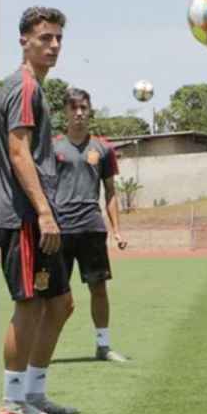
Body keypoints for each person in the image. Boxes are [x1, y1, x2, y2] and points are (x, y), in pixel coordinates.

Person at [0, 6, 76, 414]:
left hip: (41, 214)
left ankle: (35, 393)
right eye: (46, 38)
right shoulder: (23, 88)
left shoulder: (35, 89)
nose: (55, 45)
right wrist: (44, 212)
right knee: (29, 305)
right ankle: (11, 404)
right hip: (25, 215)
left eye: (59, 38)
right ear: (24, 40)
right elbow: (17, 150)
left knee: (60, 304)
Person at [53, 88, 130, 363]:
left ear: (90, 110)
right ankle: (44, 348)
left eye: (83, 108)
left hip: (92, 228)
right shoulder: (52, 147)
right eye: (73, 108)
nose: (79, 113)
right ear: (65, 112)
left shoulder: (103, 149)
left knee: (98, 288)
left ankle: (103, 346)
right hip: (59, 231)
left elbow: (110, 192)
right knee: (54, 296)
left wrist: (116, 229)